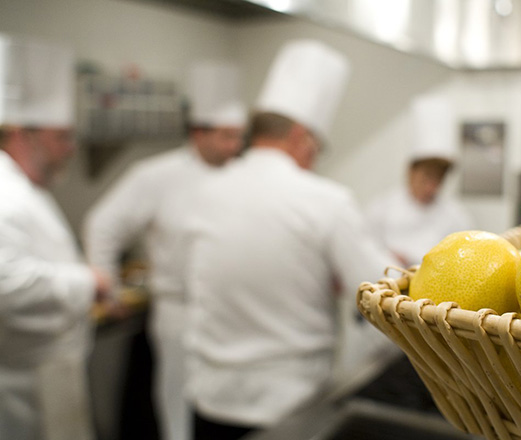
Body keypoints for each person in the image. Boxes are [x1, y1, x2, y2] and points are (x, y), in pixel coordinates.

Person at [183, 39, 395, 440]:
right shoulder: (326, 201)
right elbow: (383, 290)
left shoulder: (205, 192)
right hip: (287, 410)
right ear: (302, 136)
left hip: (210, 402)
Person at [83, 61, 247, 440]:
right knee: (178, 408)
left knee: (224, 409)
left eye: (238, 136)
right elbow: (103, 224)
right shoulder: (155, 176)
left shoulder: (245, 176)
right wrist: (105, 285)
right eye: (225, 136)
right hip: (178, 312)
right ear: (197, 133)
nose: (234, 147)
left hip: (231, 311)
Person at [0, 35, 110, 440]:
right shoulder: (4, 195)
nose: (70, 149)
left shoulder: (31, 190)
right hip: (22, 384)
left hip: (52, 371)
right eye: (61, 137)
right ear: (24, 134)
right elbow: (6, 284)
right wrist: (88, 282)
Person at [366, 93, 473, 267]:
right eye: (426, 178)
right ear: (410, 171)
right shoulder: (381, 210)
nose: (432, 187)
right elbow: (365, 256)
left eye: (438, 179)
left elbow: (463, 262)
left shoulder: (456, 217)